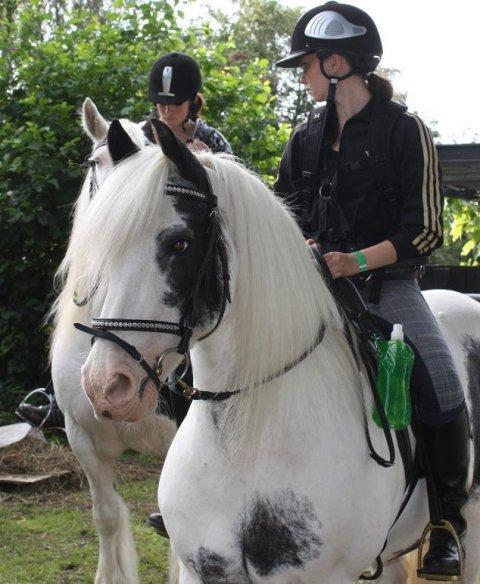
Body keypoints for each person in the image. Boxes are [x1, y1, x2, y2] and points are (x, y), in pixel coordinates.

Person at [274, 2, 469, 579]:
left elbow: (426, 228)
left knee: (438, 381)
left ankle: (445, 523)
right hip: (312, 286)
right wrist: (305, 249)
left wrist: (354, 260)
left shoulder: (405, 130)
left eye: (306, 65)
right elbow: (284, 212)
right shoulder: (304, 138)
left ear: (337, 64)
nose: (302, 76)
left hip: (388, 285)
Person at [17, 52, 232, 432]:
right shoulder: (139, 138)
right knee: (86, 303)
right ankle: (60, 398)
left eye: (175, 104)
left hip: (183, 255)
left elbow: (227, 205)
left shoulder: (213, 141)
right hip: (138, 248)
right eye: (161, 104)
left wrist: (208, 166)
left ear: (193, 102)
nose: (166, 113)